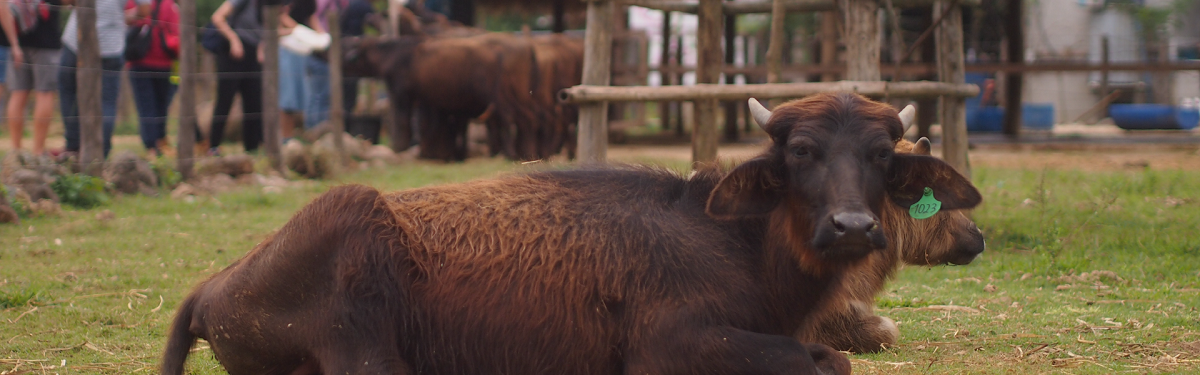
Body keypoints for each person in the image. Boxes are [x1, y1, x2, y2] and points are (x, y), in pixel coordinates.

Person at [59, 0, 152, 158]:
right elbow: (145, 9)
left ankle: (73, 147)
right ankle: (100, 151)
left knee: (69, 92)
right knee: (107, 101)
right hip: (111, 45)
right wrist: (121, 16)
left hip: (77, 40)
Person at [208, 0, 295, 155]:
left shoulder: (269, 5)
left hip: (253, 55)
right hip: (232, 53)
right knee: (225, 100)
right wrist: (233, 39)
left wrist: (265, 44)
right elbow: (217, 17)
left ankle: (252, 149)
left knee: (254, 103)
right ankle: (213, 146)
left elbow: (273, 29)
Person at [0, 0, 65, 156]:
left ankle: (16, 151)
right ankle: (37, 151)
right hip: (46, 41)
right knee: (44, 93)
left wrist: (14, 44)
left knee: (18, 93)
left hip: (17, 39)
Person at [125, 0, 179, 156]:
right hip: (164, 62)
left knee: (146, 105)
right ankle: (159, 141)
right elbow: (176, 31)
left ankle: (152, 146)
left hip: (139, 61)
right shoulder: (170, 5)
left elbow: (125, 22)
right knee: (161, 105)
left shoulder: (133, 2)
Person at [279, 0, 316, 140]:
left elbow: (311, 17)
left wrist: (321, 35)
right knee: (288, 97)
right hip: (288, 46)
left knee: (303, 95)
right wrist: (301, 31)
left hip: (305, 48)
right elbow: (279, 17)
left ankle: (300, 136)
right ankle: (286, 137)